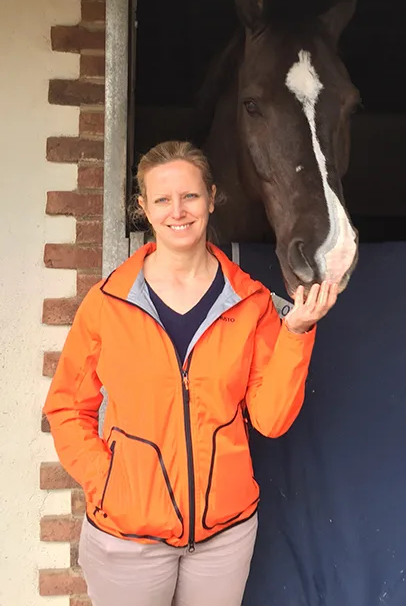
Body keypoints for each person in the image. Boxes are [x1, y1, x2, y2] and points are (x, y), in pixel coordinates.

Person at [43, 140, 338, 606]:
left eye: (190, 196)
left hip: (223, 538)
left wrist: (296, 333)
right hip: (128, 538)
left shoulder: (251, 303)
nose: (177, 211)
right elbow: (66, 407)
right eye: (162, 199)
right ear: (144, 208)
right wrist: (110, 481)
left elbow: (270, 419)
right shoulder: (107, 304)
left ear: (212, 198)